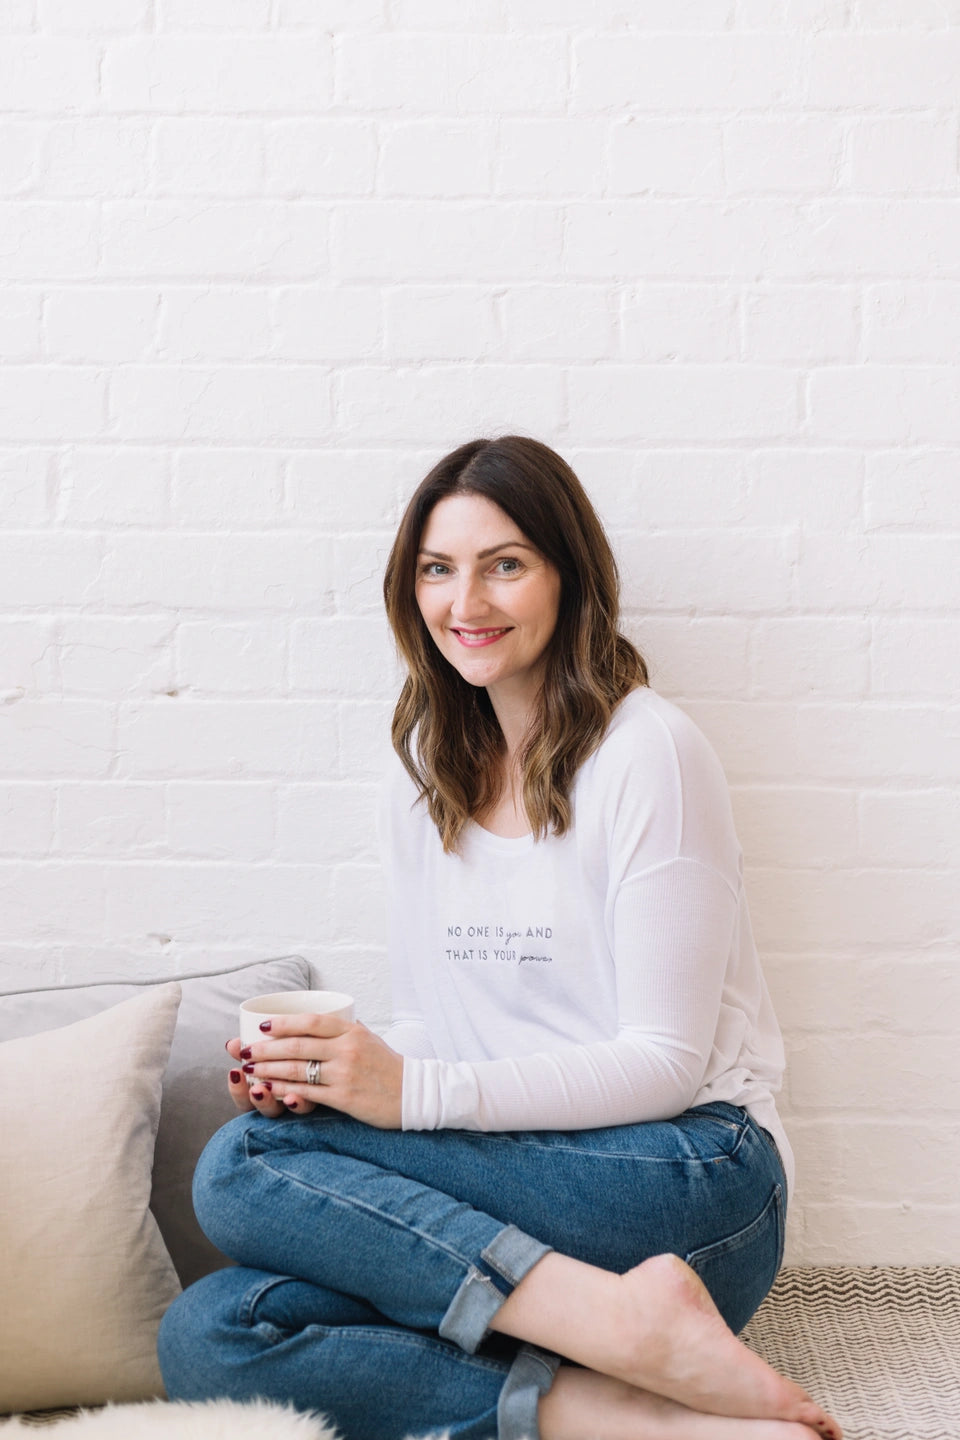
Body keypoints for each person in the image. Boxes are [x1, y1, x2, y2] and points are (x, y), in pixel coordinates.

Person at [159, 438, 841, 1440]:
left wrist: (407, 1095)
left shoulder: (648, 751)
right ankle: (614, 1396)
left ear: (571, 579)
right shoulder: (426, 771)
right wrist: (345, 1080)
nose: (464, 601)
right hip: (518, 1193)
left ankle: (623, 1318)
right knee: (210, 1332)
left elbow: (664, 1062)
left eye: (505, 563)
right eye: (438, 569)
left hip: (688, 1186)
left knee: (243, 1166)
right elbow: (439, 1024)